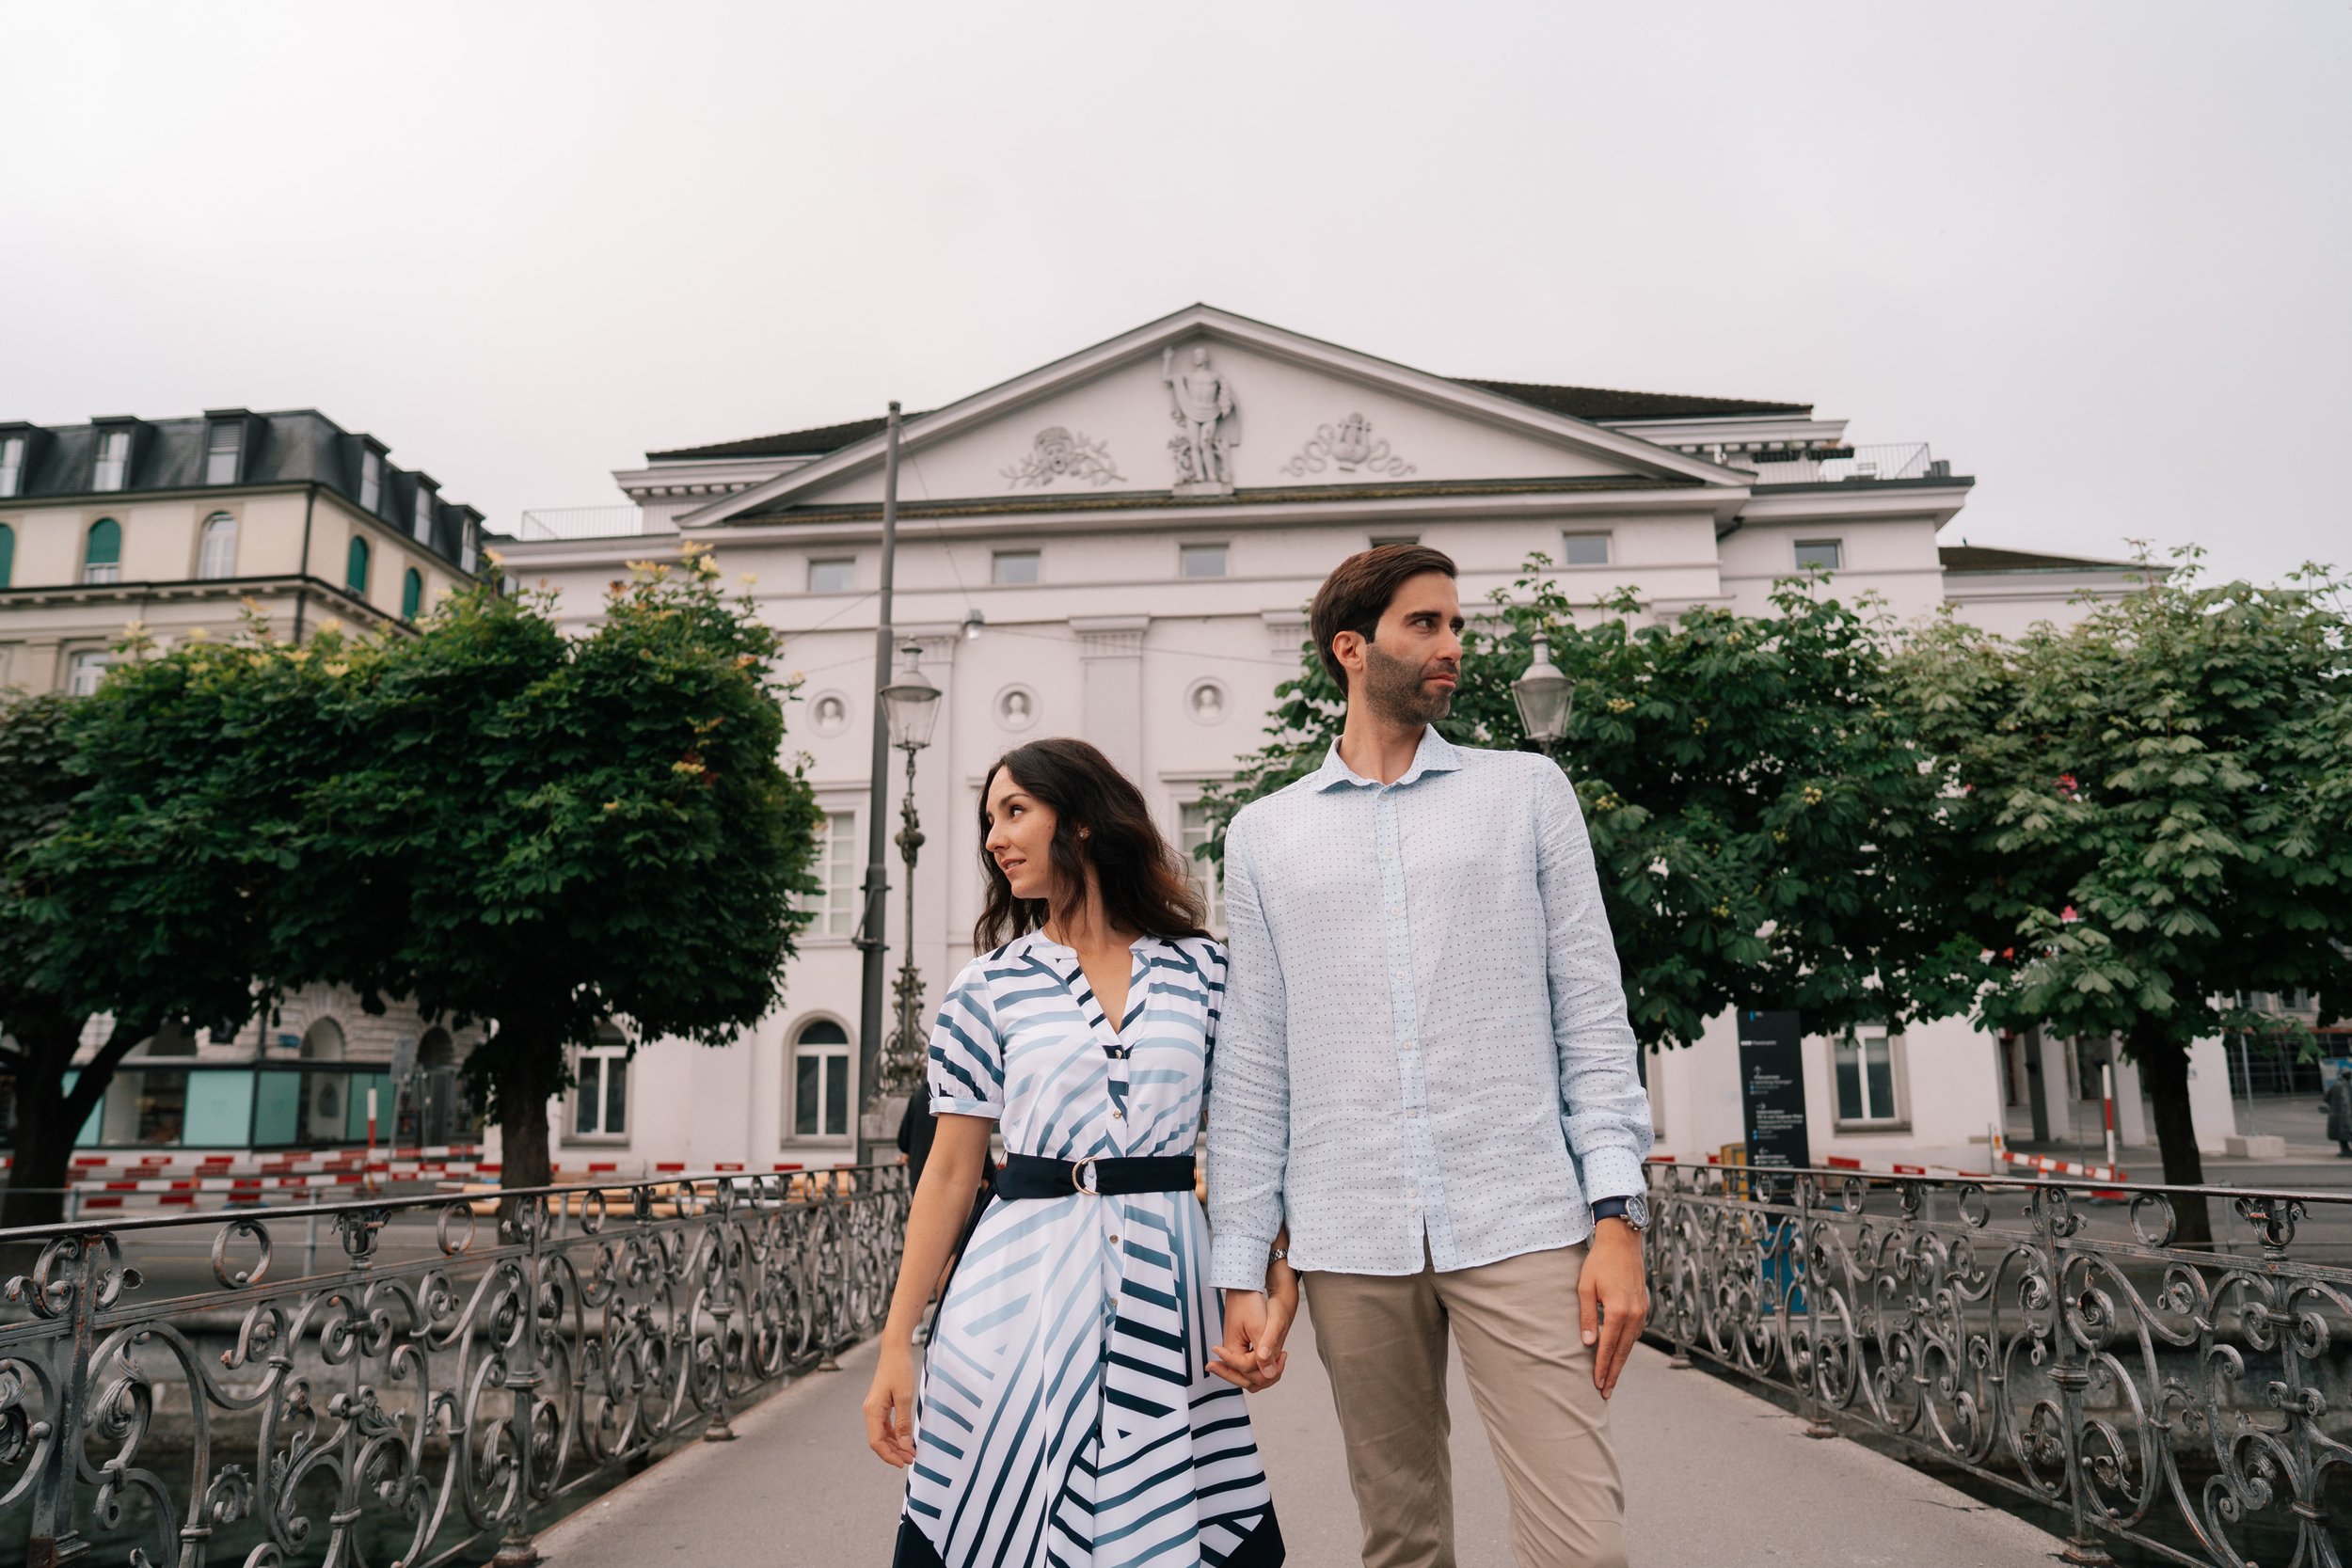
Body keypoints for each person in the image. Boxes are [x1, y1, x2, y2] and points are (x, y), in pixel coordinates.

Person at [1207, 544, 1653, 1568]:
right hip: (1348, 1224)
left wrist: (1618, 1215)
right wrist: (1242, 1260)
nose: (1453, 645)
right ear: (1351, 648)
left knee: (1580, 1544)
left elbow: (1590, 1013)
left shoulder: (1527, 794)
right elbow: (1251, 1069)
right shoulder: (1264, 835)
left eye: (1457, 623)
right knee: (1400, 1540)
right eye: (1427, 624)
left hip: (1521, 1210)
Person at [866, 737, 1292, 1568]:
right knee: (1005, 1513)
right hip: (1015, 1293)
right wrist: (895, 1340)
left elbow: (1250, 1136)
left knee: (1173, 1515)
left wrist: (1272, 1273)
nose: (994, 836)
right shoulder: (987, 987)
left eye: (1014, 810)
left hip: (1169, 1286)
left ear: (1086, 822)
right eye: (988, 818)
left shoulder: (1206, 971)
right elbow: (950, 1173)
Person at [2326, 1062, 2352, 1156]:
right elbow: (2327, 1098)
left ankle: (2345, 1150)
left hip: (2344, 1113)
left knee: (2344, 1132)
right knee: (2342, 1132)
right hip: (2341, 1114)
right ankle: (2345, 1150)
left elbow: (2326, 1098)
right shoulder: (2339, 1085)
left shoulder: (2345, 1085)